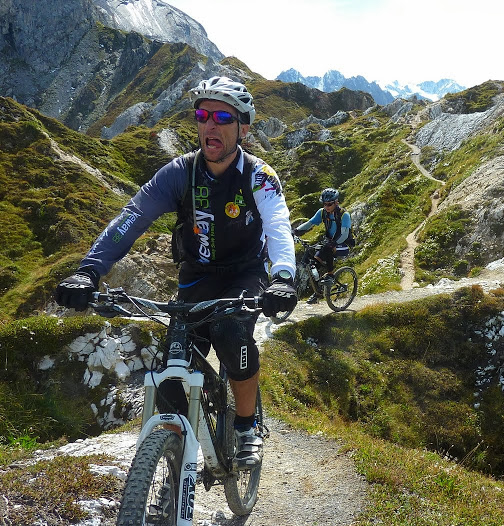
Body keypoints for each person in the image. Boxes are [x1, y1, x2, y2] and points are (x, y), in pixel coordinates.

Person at [54, 75, 297, 470]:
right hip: (197, 275)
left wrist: (284, 276)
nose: (210, 125)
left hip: (244, 274)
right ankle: (171, 470)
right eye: (202, 115)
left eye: (222, 116)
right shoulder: (179, 173)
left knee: (232, 335)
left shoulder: (260, 176)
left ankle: (247, 426)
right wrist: (89, 271)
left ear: (244, 127)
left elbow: (278, 227)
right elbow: (131, 218)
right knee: (171, 375)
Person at [292, 188, 352, 304]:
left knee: (328, 248)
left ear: (336, 202)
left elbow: (344, 234)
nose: (327, 207)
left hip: (343, 244)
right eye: (325, 204)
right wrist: (296, 231)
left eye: (329, 204)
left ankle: (330, 275)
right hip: (329, 242)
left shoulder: (344, 215)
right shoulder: (322, 212)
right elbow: (310, 223)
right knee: (314, 263)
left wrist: (334, 243)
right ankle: (318, 292)